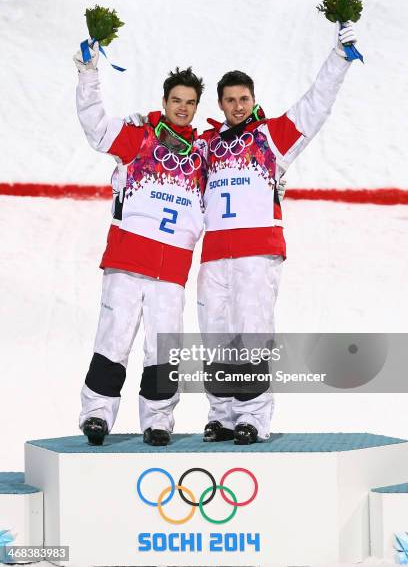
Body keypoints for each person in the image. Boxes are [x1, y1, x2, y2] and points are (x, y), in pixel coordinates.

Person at [198, 22, 359, 444]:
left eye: (244, 99)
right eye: (230, 100)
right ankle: (223, 415)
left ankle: (253, 416)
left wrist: (339, 58)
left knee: (251, 331)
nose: (237, 106)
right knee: (215, 334)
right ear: (220, 103)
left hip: (256, 250)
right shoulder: (205, 146)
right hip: (214, 254)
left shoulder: (270, 137)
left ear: (254, 101)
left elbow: (314, 105)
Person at [73, 41, 206, 446]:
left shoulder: (205, 152)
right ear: (164, 101)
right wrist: (88, 72)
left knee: (163, 348)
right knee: (113, 338)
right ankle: (97, 413)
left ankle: (159, 420)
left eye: (190, 102)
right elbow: (96, 126)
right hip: (128, 260)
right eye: (176, 100)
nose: (182, 107)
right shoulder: (140, 137)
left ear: (197, 106)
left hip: (170, 269)